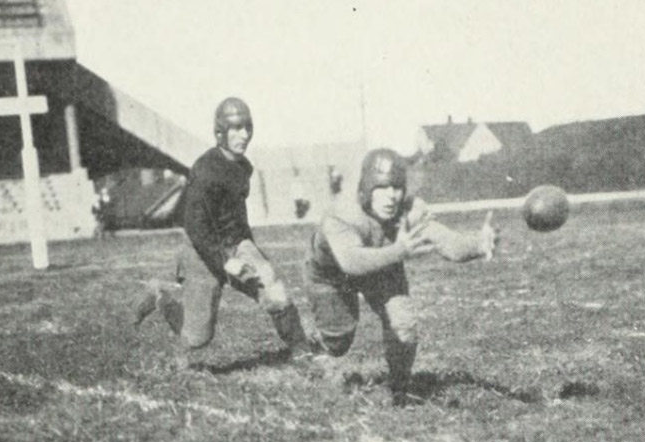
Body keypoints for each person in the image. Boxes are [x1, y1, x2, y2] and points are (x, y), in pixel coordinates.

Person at [303, 148, 499, 405]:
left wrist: (479, 244)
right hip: (332, 275)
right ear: (366, 188)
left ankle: (398, 391)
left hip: (383, 264)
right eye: (382, 188)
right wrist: (399, 250)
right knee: (338, 340)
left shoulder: (409, 210)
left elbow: (447, 242)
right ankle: (312, 347)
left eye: (396, 187)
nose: (391, 196)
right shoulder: (343, 213)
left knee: (404, 326)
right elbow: (351, 262)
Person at [133, 97, 310, 367]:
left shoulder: (243, 167)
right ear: (220, 132)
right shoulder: (205, 170)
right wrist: (225, 261)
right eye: (236, 128)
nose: (244, 135)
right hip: (201, 250)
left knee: (271, 282)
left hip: (234, 243)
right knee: (196, 338)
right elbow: (195, 225)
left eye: (247, 128)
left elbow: (237, 216)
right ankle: (159, 295)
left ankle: (301, 348)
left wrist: (249, 250)